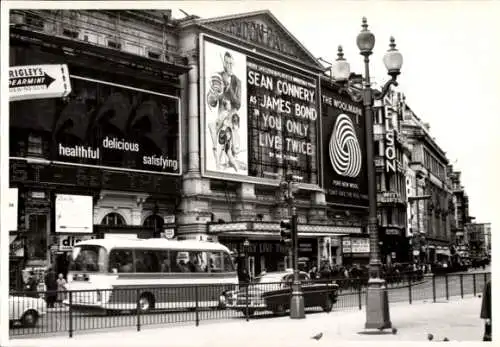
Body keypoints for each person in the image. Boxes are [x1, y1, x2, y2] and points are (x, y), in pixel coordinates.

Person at [207, 51, 242, 170]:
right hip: (221, 116)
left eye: (231, 63)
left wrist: (229, 88)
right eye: (226, 63)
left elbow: (238, 104)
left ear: (233, 64)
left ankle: (231, 163)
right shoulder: (218, 76)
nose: (228, 66)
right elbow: (212, 101)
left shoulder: (237, 82)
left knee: (230, 145)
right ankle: (218, 164)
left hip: (232, 118)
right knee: (220, 143)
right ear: (224, 63)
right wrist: (213, 96)